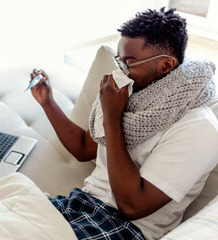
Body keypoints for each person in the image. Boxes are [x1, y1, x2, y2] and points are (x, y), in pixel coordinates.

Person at [30, 7, 218, 240]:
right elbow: (82, 147)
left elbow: (131, 206)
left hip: (124, 229)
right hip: (80, 205)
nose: (120, 71)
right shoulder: (133, 96)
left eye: (129, 63)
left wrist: (112, 117)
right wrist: (48, 102)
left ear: (166, 66)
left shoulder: (200, 129)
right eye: (118, 61)